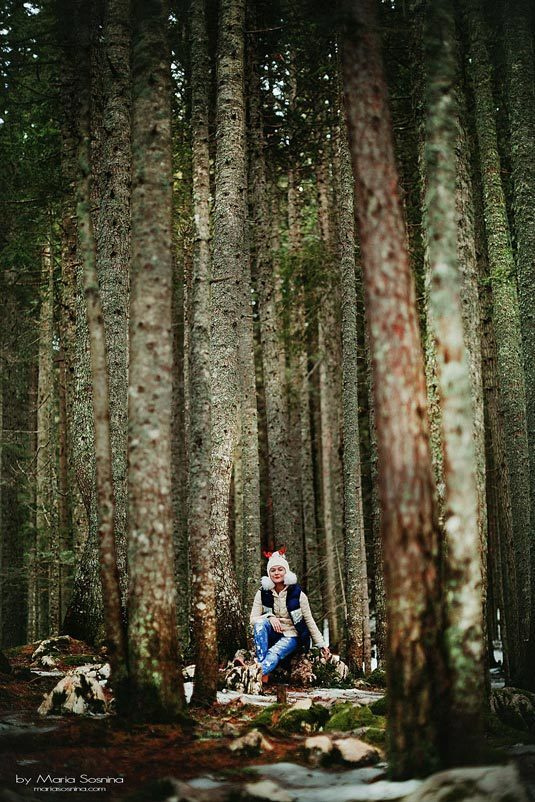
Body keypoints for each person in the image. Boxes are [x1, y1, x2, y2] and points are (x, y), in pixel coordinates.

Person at [249, 548, 331, 683]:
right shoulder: (262, 592)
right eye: (273, 570)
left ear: (286, 571)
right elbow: (253, 619)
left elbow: (309, 620)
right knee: (259, 624)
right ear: (269, 574)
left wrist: (321, 644)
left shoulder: (298, 594)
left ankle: (255, 674)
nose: (276, 573)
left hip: (292, 635)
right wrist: (269, 617)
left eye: (280, 569)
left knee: (275, 652)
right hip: (273, 633)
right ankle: (262, 674)